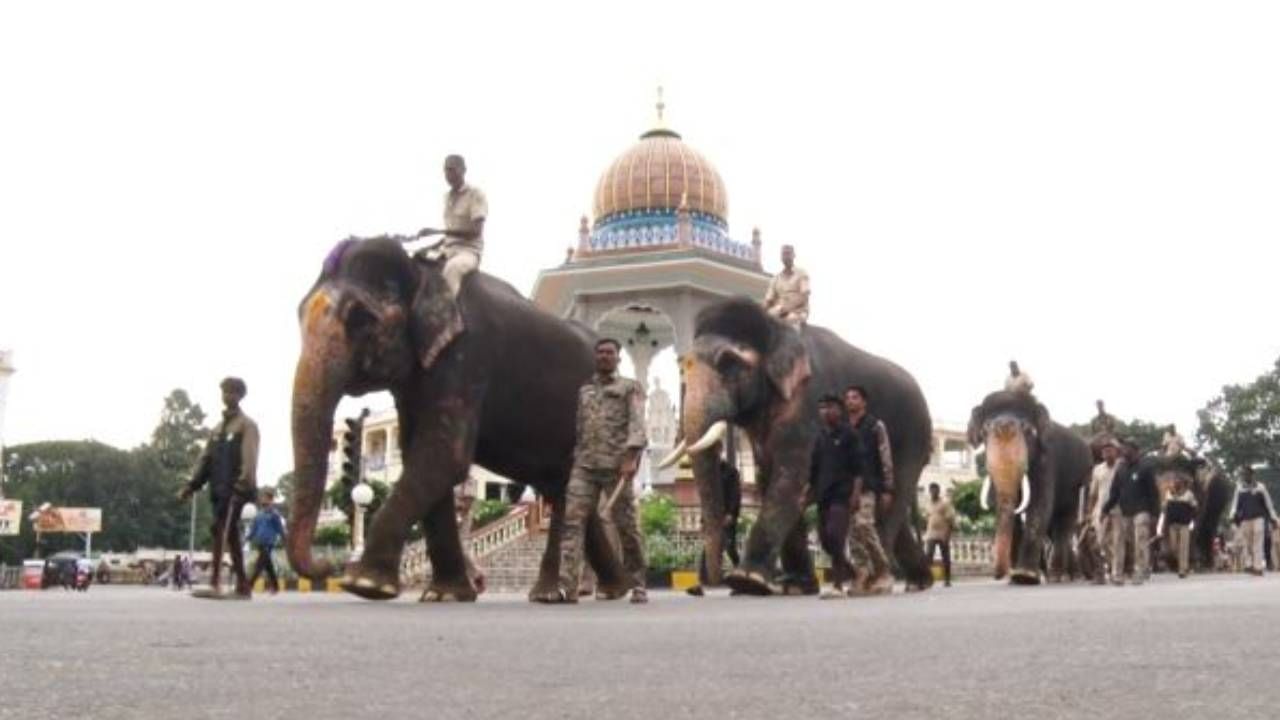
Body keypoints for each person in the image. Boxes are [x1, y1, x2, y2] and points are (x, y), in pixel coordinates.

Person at [548, 338, 648, 604]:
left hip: (616, 467)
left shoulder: (630, 388)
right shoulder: (585, 391)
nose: (604, 356)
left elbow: (638, 424)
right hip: (585, 466)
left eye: (610, 353)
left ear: (618, 358)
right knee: (572, 524)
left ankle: (638, 583)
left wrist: (631, 456)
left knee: (627, 527)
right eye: (600, 352)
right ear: (595, 357)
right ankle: (566, 587)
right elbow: (580, 428)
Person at [178, 377, 259, 599]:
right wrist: (191, 486)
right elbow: (206, 460)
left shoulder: (246, 425)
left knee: (219, 527)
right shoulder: (216, 430)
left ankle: (216, 582)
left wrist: (243, 486)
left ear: (241, 395)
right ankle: (243, 584)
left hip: (236, 489)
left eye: (233, 392)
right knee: (228, 533)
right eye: (225, 392)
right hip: (218, 489)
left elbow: (250, 459)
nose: (228, 396)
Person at [808, 394, 863, 598]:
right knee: (824, 540)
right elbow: (813, 469)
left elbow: (858, 469)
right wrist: (807, 493)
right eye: (821, 407)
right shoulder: (820, 436)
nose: (825, 411)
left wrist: (855, 494)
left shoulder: (849, 435)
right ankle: (850, 570)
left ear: (839, 410)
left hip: (842, 493)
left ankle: (838, 585)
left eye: (829, 407)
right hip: (823, 494)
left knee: (835, 535)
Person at [844, 385, 895, 595]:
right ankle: (862, 573)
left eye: (855, 397)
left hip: (869, 485)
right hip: (846, 488)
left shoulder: (875, 426)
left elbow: (885, 456)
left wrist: (888, 488)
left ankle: (882, 570)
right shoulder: (843, 427)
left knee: (864, 526)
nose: (850, 401)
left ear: (864, 402)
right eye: (847, 398)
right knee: (853, 532)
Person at [415, 154, 488, 297]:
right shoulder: (447, 197)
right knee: (419, 260)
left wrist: (438, 231)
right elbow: (450, 234)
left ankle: (447, 315)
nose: (448, 174)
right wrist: (432, 245)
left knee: (451, 270)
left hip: (468, 252)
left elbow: (475, 231)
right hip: (447, 250)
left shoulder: (475, 194)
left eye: (452, 169)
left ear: (463, 170)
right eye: (445, 170)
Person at [1101, 440, 1158, 586]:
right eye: (1124, 448)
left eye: (1128, 448)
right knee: (1128, 542)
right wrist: (1105, 509)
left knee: (1140, 538)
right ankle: (1119, 574)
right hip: (1126, 511)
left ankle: (1140, 570)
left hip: (1142, 510)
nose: (1124, 451)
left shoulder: (1145, 468)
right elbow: (1114, 493)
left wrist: (1154, 514)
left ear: (1135, 450)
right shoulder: (1120, 470)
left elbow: (1154, 493)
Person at [688, 444, 743, 597]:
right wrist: (703, 519)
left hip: (726, 515)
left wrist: (731, 514)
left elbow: (735, 494)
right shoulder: (708, 472)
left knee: (730, 548)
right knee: (708, 549)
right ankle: (701, 583)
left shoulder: (730, 471)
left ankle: (742, 580)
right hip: (711, 515)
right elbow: (706, 496)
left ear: (719, 450)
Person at [1229, 466, 1279, 576]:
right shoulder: (1239, 488)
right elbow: (1235, 504)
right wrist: (1232, 516)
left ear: (1252, 475)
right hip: (1245, 519)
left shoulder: (1260, 487)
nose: (1245, 476)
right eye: (1243, 474)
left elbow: (1269, 504)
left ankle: (1258, 567)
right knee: (1247, 543)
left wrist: (1273, 518)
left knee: (1258, 541)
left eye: (1247, 474)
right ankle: (1249, 564)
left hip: (1258, 518)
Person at [1085, 440, 1122, 583]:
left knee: (1117, 542)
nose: (1107, 453)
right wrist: (1089, 512)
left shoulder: (1122, 467)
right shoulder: (1098, 470)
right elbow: (1093, 494)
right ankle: (1100, 573)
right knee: (1098, 543)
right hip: (1101, 510)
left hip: (1119, 509)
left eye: (1110, 449)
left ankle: (1116, 573)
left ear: (1116, 451)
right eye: (1105, 450)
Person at [247, 488, 286, 594]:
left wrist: (284, 539)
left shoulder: (274, 515)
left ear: (270, 500)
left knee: (259, 565)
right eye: (262, 498)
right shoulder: (259, 515)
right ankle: (275, 587)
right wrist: (249, 537)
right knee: (268, 566)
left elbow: (280, 528)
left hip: (269, 543)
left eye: (265, 498)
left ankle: (248, 586)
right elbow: (254, 528)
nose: (262, 500)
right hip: (259, 542)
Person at [1158, 476, 1198, 578]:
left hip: (1184, 524)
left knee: (1184, 547)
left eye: (1178, 483)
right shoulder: (1169, 494)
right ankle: (1180, 562)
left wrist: (1190, 518)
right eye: (1175, 482)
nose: (1176, 484)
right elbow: (1164, 508)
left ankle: (1183, 569)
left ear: (1183, 484)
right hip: (1172, 524)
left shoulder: (1188, 495)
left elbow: (1195, 507)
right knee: (1174, 547)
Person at [762, 245, 810, 326]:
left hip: (798, 311)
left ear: (794, 255)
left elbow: (804, 295)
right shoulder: (776, 279)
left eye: (788, 253)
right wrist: (758, 312)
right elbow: (768, 300)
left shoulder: (802, 273)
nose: (786, 256)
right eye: (784, 254)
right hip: (778, 311)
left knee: (790, 320)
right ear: (781, 257)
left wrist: (786, 308)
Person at [923, 483, 957, 587]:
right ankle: (927, 578)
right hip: (931, 533)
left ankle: (947, 579)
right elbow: (927, 518)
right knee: (929, 555)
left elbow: (951, 520)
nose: (934, 492)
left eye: (935, 490)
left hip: (943, 533)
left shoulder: (945, 504)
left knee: (945, 556)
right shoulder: (928, 504)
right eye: (932, 490)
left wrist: (948, 535)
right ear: (930, 492)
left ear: (938, 491)